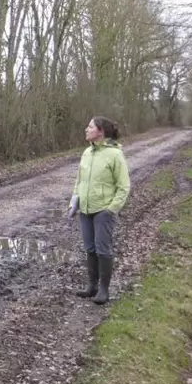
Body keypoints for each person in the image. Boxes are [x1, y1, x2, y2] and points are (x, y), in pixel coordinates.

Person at [68, 116, 130, 305]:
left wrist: (111, 209)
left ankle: (104, 290)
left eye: (90, 127)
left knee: (103, 249)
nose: (86, 129)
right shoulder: (87, 153)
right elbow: (80, 181)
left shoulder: (115, 155)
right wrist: (74, 202)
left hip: (104, 211)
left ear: (101, 131)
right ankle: (91, 286)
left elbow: (124, 186)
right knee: (90, 248)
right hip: (85, 210)